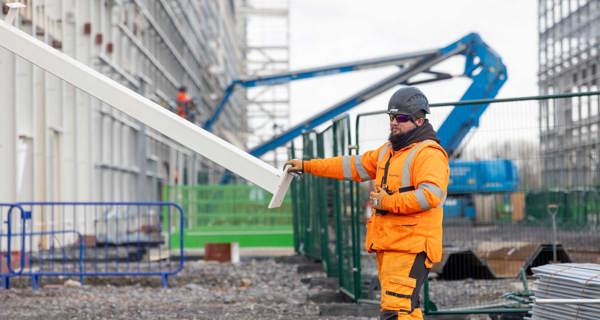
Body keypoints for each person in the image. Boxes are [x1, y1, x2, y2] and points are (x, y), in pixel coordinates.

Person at [286, 86, 449, 319]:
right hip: (392, 245)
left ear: (420, 120)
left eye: (401, 118)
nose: (394, 122)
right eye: (391, 117)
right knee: (404, 308)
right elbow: (349, 165)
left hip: (411, 247)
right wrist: (307, 165)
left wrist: (388, 202)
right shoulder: (388, 152)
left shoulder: (429, 154)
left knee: (395, 309)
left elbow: (431, 195)